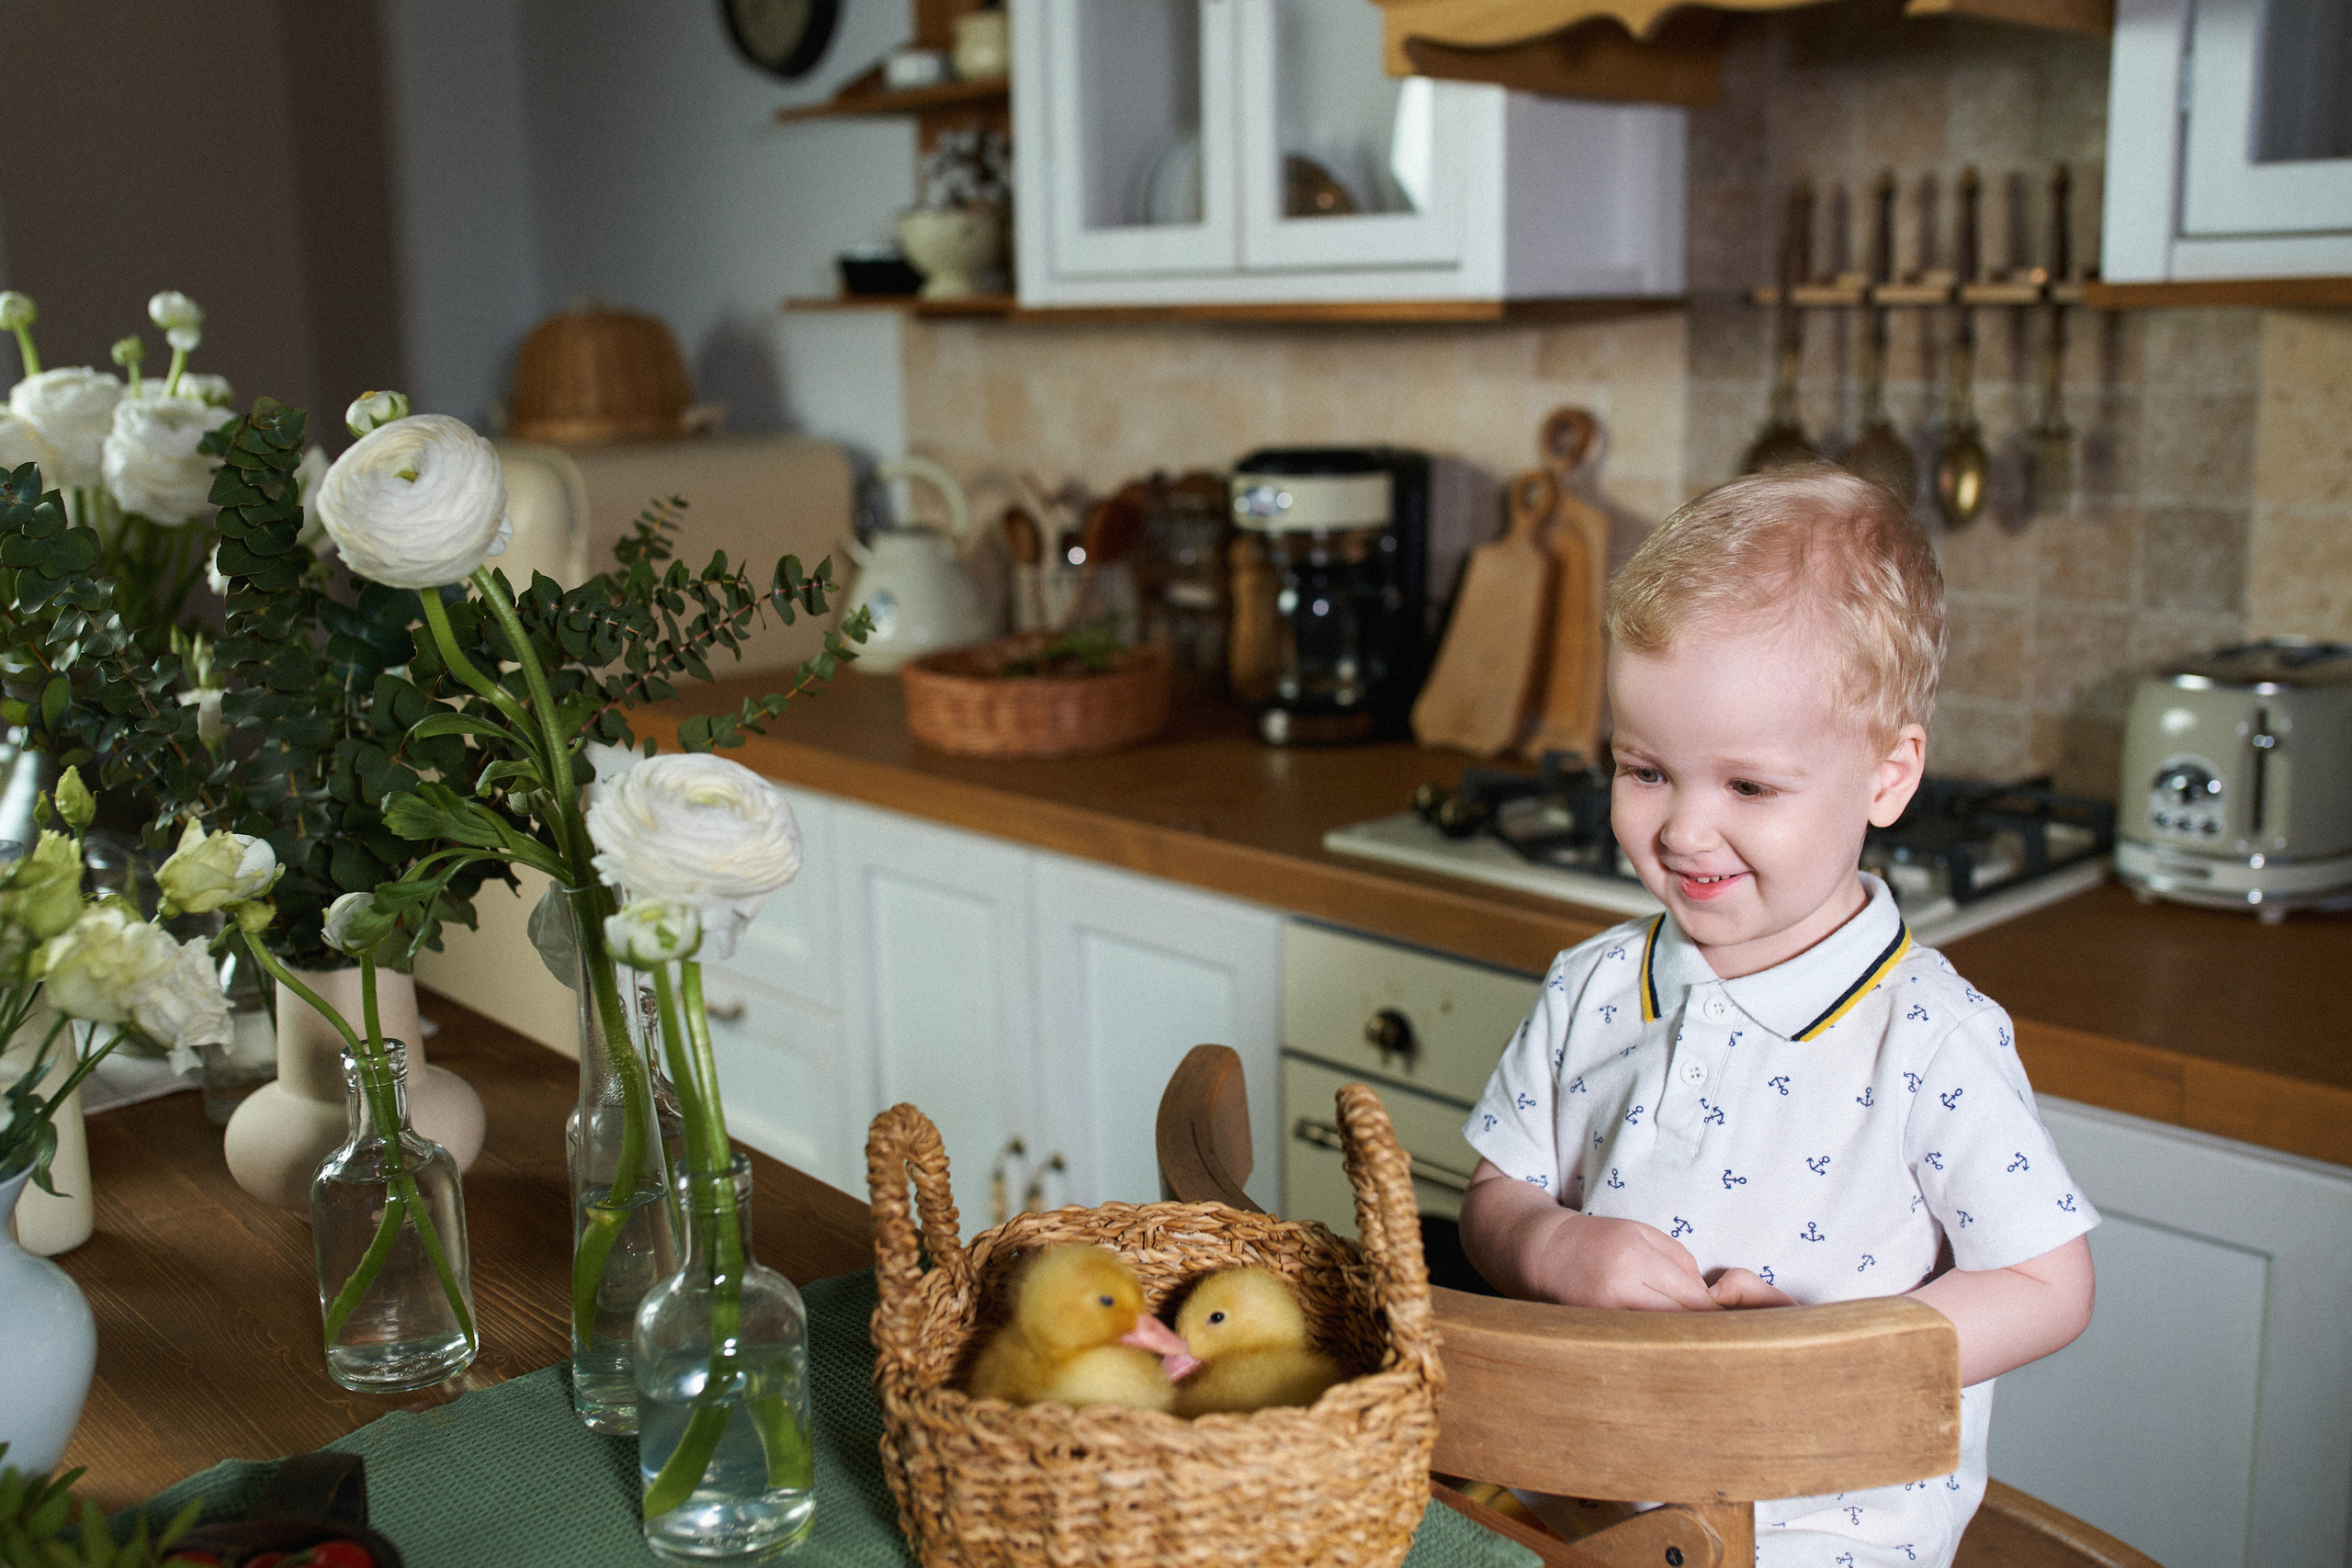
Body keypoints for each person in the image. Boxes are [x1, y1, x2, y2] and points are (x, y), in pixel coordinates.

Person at [1459, 466, 2097, 1568]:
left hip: (1821, 1536)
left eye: (1748, 788)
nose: (1684, 830)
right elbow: (1492, 1196)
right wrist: (1551, 1246)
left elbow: (2048, 1286)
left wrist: (1825, 1355)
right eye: (1645, 770)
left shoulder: (1929, 1037)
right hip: (1566, 1499)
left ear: (1887, 776)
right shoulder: (1589, 987)